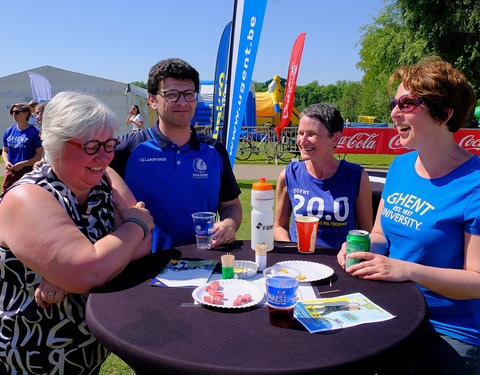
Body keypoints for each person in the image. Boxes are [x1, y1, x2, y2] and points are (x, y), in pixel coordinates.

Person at [337, 57, 480, 374]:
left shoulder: (475, 184)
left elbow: (477, 281)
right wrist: (361, 246)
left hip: (449, 336)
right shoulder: (400, 167)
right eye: (394, 102)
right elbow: (380, 236)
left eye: (407, 103)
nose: (393, 113)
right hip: (393, 316)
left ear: (443, 114)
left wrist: (406, 269)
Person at [0, 91, 154, 374]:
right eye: (92, 145)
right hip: (32, 359)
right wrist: (135, 224)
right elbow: (90, 270)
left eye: (110, 144)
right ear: (56, 144)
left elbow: (143, 249)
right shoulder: (27, 197)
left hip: (87, 352)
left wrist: (73, 275)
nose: (105, 156)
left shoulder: (104, 178)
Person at [110, 58, 242, 251]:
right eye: (171, 94)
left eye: (189, 94)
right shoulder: (125, 149)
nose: (182, 102)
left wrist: (229, 224)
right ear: (152, 100)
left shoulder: (214, 150)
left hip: (205, 265)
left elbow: (231, 205)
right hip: (146, 270)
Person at [274, 103, 372, 249]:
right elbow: (279, 226)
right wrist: (293, 250)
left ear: (335, 138)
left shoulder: (357, 176)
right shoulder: (289, 175)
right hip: (300, 263)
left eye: (311, 134)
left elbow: (366, 232)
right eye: (300, 133)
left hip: (340, 262)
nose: (302, 141)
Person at [2, 102, 43, 192]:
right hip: (12, 172)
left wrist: (23, 164)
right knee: (5, 197)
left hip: (27, 173)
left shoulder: (33, 132)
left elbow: (40, 156)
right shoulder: (9, 131)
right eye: (12, 112)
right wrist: (6, 162)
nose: (14, 114)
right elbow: (5, 151)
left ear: (26, 113)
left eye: (17, 112)